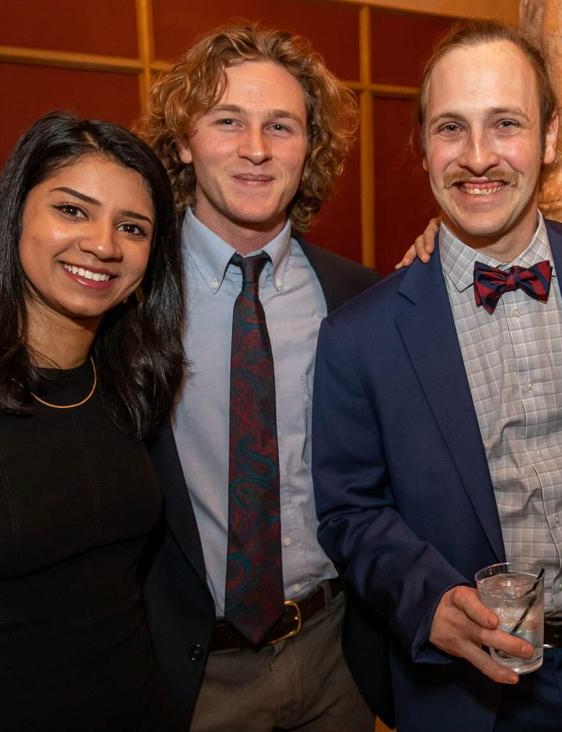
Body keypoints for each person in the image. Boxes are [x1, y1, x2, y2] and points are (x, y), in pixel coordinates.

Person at [312, 22, 562, 731]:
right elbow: (350, 511)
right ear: (423, 148)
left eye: (506, 124)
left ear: (551, 137)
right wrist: (426, 598)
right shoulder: (361, 336)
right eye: (450, 129)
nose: (478, 157)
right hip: (467, 692)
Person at [135, 22, 380, 731]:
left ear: (311, 149)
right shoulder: (126, 294)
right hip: (189, 672)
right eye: (227, 121)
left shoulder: (357, 297)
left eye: (281, 126)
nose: (255, 149)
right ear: (184, 140)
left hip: (337, 656)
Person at [0, 112, 185, 730]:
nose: (103, 244)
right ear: (14, 217)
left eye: (132, 227)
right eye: (72, 210)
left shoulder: (129, 392)